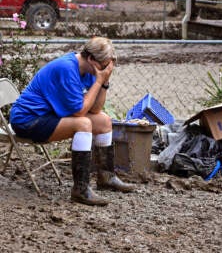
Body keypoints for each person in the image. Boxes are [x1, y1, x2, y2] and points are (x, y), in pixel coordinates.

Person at [10, 37, 135, 206]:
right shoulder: (67, 68)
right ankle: (80, 190)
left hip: (50, 115)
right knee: (83, 124)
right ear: (91, 59)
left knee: (104, 121)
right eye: (104, 66)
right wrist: (99, 80)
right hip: (28, 120)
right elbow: (80, 111)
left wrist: (104, 82)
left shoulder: (89, 70)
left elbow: (95, 110)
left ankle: (107, 177)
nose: (106, 70)